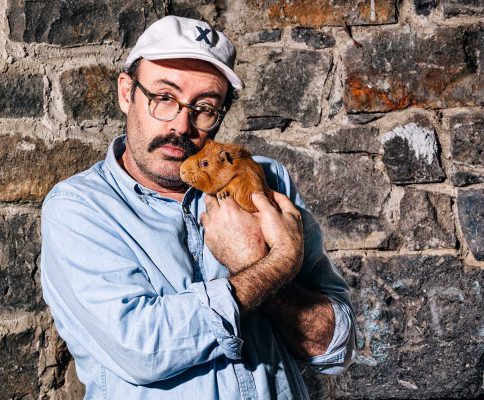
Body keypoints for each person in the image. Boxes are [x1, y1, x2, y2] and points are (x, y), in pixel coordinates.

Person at [40, 15, 356, 400]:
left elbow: (334, 346)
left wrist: (252, 265)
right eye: (164, 98)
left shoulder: (266, 179)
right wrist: (275, 262)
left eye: (204, 107)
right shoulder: (79, 208)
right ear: (127, 93)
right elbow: (143, 349)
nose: (181, 124)